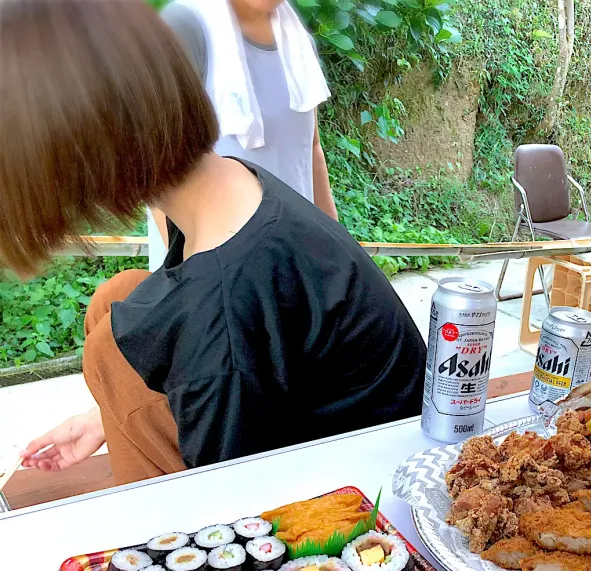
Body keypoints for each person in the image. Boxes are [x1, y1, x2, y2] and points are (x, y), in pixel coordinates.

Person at [3, 0, 426, 482]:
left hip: (359, 476)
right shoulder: (233, 186)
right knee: (115, 297)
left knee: (111, 352)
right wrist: (105, 419)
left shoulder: (221, 306)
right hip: (314, 403)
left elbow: (231, 506)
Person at [147, 0, 338, 270]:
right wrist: (194, 282)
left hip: (295, 268)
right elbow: (152, 167)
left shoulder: (296, 39)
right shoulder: (185, 26)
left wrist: (337, 253)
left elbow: (310, 150)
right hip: (218, 280)